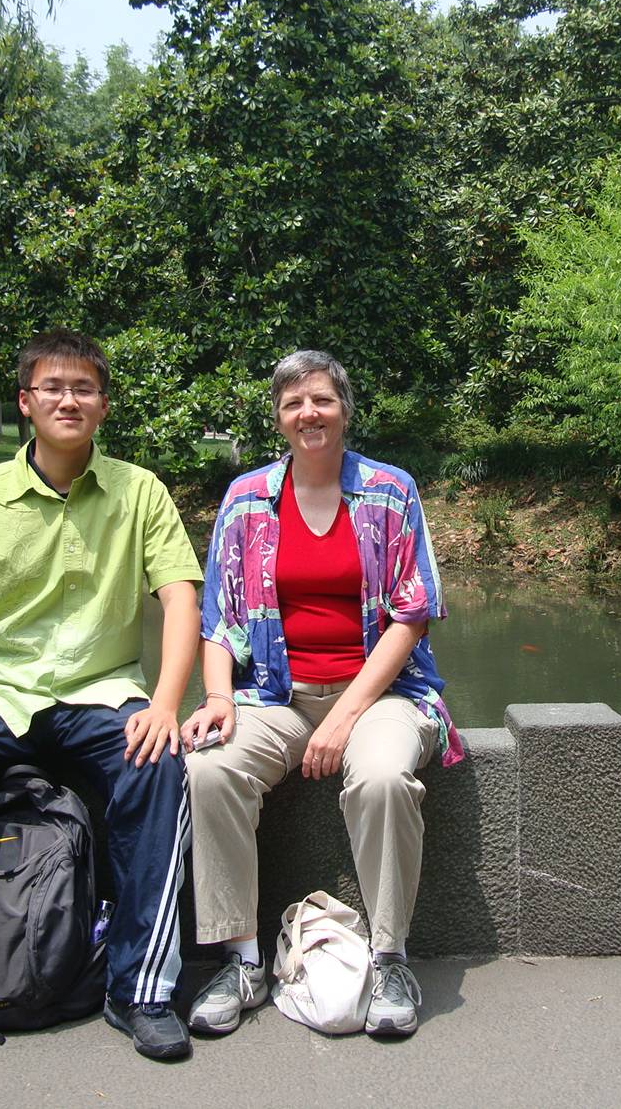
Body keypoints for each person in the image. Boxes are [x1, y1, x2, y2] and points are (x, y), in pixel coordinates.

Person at [0, 328, 203, 1082]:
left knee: (158, 767)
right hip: (1, 691)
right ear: (25, 403)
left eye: (83, 388)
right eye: (52, 388)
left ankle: (141, 988)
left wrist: (163, 702)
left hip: (102, 689)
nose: (68, 400)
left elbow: (181, 601)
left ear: (103, 406)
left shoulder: (139, 491)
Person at [179, 349, 464, 1039]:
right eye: (292, 403)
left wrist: (343, 716)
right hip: (273, 693)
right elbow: (218, 615)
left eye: (321, 400)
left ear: (344, 408)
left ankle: (391, 957)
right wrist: (217, 696)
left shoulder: (389, 490)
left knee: (382, 780)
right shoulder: (247, 498)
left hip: (382, 694)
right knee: (209, 768)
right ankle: (241, 959)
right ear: (278, 419)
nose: (308, 413)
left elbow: (411, 612)